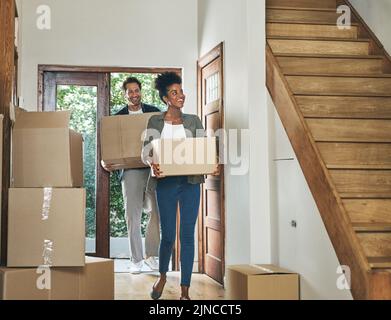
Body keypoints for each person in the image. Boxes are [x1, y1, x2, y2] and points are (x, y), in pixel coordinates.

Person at [142, 72, 219, 300]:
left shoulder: (193, 120)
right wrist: (151, 163)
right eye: (174, 93)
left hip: (190, 183)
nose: (180, 96)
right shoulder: (155, 121)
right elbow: (146, 152)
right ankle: (163, 276)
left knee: (187, 235)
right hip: (165, 183)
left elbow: (204, 149)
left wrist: (212, 164)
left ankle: (185, 290)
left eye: (181, 91)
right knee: (168, 235)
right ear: (166, 98)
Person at [101, 76, 161, 274]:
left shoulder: (154, 113)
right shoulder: (118, 118)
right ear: (124, 94)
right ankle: (136, 259)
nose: (134, 94)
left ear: (140, 91)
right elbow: (109, 146)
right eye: (130, 92)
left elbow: (164, 139)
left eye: (137, 90)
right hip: (131, 170)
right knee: (132, 215)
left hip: (152, 168)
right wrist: (106, 160)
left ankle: (151, 255)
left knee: (156, 213)